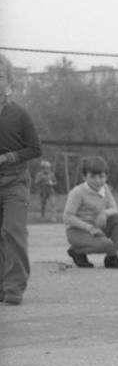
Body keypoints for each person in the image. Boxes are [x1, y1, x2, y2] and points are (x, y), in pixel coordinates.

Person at [0, 55, 42, 306]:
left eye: (0, 76)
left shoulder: (19, 114)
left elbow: (35, 149)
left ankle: (15, 285)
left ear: (9, 82)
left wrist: (8, 158)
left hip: (15, 181)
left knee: (12, 230)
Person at [63, 155, 118, 269]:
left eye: (101, 176)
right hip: (78, 231)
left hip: (97, 227)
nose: (98, 181)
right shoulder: (77, 192)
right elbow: (67, 217)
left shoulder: (105, 188)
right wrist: (90, 228)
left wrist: (104, 213)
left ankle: (111, 258)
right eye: (93, 176)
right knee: (107, 244)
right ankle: (76, 251)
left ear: (106, 176)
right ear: (84, 176)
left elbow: (114, 208)